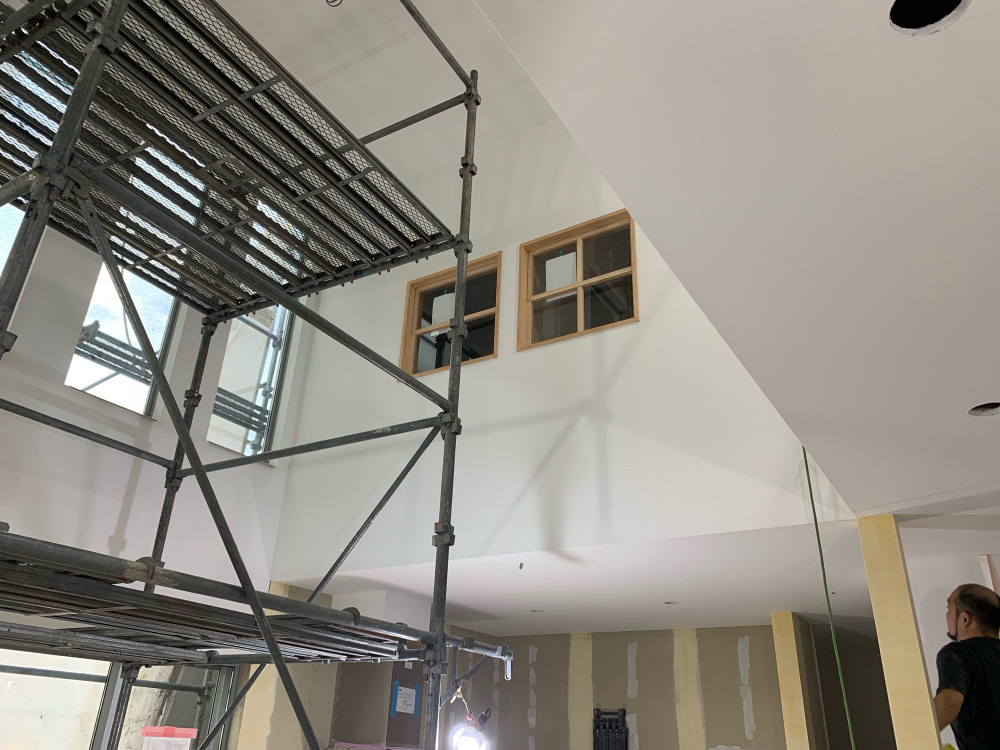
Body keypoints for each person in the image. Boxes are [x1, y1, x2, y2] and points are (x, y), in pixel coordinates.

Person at [934, 583, 1000, 749]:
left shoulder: (957, 653)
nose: (947, 615)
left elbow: (950, 700)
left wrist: (913, 738)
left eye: (949, 608)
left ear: (964, 618)